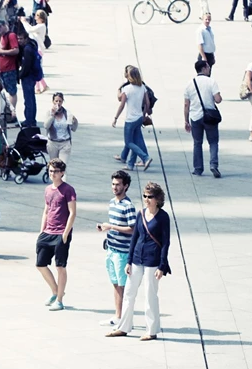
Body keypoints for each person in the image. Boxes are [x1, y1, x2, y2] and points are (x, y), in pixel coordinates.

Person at [106, 182, 171, 341]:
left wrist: (162, 265)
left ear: (158, 199)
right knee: (129, 292)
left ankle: (152, 330)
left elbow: (165, 242)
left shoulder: (163, 217)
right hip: (136, 258)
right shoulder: (140, 214)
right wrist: (128, 261)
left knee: (150, 295)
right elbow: (134, 238)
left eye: (150, 197)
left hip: (152, 260)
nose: (147, 200)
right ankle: (124, 327)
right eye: (145, 196)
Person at [96, 170, 137, 328]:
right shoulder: (112, 203)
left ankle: (126, 320)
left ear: (125, 186)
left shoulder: (128, 206)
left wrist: (111, 226)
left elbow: (133, 229)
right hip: (111, 249)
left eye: (118, 184)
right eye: (113, 184)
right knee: (115, 283)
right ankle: (118, 316)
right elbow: (117, 226)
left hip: (122, 252)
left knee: (123, 286)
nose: (114, 187)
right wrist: (106, 228)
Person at [35, 158, 75, 311]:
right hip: (47, 232)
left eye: (55, 171)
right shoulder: (47, 190)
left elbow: (72, 212)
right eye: (50, 171)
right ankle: (55, 291)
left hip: (61, 233)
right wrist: (41, 230)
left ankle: (59, 299)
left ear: (62, 173)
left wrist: (65, 233)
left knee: (60, 266)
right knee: (40, 264)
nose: (52, 174)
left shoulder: (68, 190)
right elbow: (46, 210)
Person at [184, 59, 222, 177]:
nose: (209, 69)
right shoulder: (211, 82)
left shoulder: (189, 84)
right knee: (213, 142)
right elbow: (218, 99)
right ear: (204, 68)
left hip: (195, 117)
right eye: (208, 67)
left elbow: (186, 104)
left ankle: (198, 168)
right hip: (209, 117)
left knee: (197, 143)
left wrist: (186, 120)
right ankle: (213, 165)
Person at [112, 65, 153, 170]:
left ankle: (145, 157)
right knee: (134, 141)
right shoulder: (142, 87)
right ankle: (130, 164)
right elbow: (147, 103)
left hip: (130, 119)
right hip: (139, 117)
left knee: (128, 142)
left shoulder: (127, 89)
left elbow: (121, 104)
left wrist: (116, 118)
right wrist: (143, 115)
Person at [0, 19, 19, 122]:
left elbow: (16, 50)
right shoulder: (2, 37)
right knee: (6, 91)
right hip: (3, 69)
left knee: (12, 92)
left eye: (0, 26)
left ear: (5, 25)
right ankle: (7, 112)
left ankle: (11, 114)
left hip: (10, 69)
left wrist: (1, 51)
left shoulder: (11, 35)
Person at [16, 23, 41, 127]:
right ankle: (31, 119)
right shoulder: (33, 44)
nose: (19, 41)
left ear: (26, 38)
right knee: (31, 99)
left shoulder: (27, 49)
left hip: (28, 77)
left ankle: (29, 120)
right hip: (33, 75)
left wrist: (19, 75)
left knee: (28, 100)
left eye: (21, 39)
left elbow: (26, 66)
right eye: (18, 39)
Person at [19, 9, 47, 93]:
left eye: (37, 16)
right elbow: (31, 29)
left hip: (39, 48)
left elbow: (29, 30)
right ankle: (40, 87)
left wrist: (24, 22)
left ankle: (39, 87)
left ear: (41, 18)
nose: (35, 18)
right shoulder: (39, 26)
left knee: (36, 67)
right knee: (35, 67)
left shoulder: (41, 26)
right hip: (37, 48)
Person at [44, 92, 76, 163]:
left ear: (62, 102)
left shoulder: (67, 113)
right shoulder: (49, 112)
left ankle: (63, 174)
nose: (58, 103)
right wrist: (52, 115)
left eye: (60, 101)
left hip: (65, 143)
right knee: (54, 165)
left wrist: (75, 121)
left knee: (62, 166)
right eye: (56, 101)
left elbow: (74, 128)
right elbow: (46, 126)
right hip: (53, 143)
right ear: (53, 101)